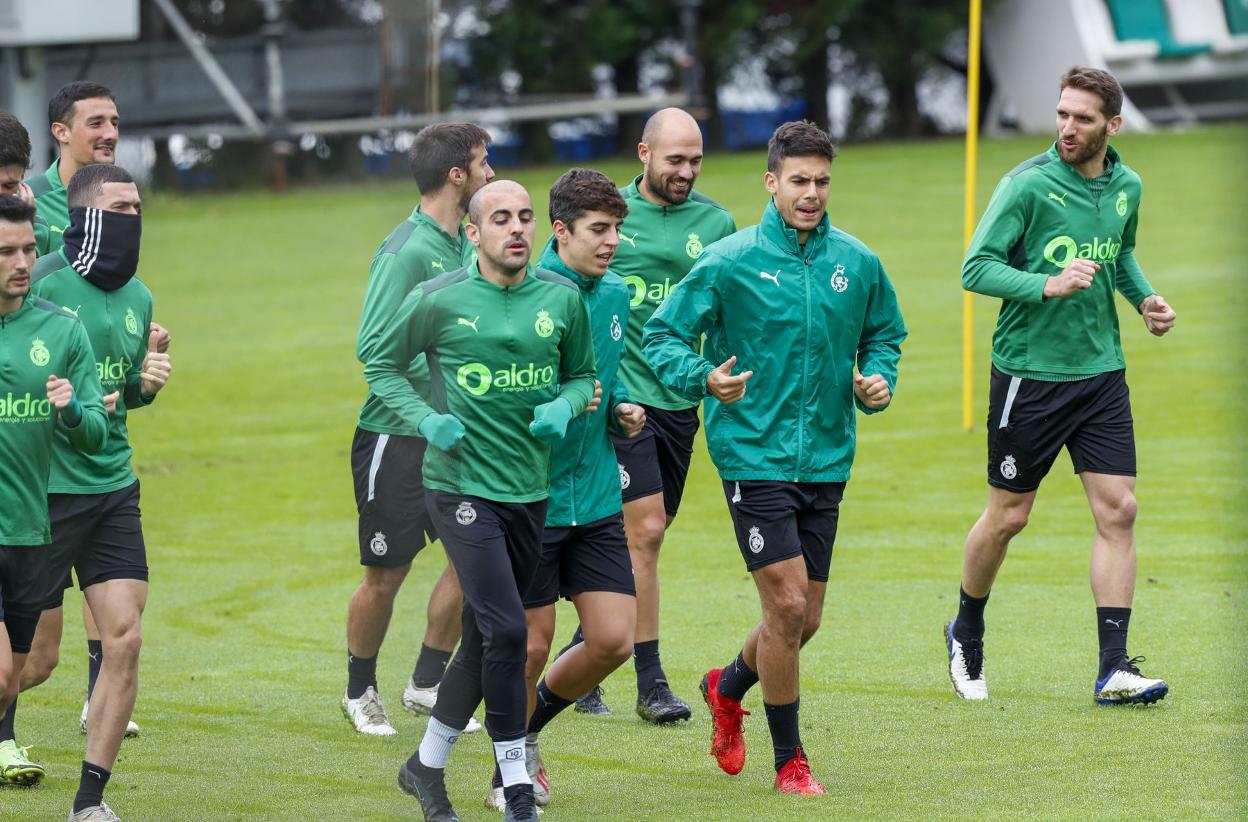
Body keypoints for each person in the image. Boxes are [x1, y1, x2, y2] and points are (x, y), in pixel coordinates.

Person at [644, 121, 906, 794]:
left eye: (821, 181)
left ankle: (726, 687)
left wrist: (878, 380)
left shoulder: (858, 262)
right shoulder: (730, 261)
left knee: (803, 618)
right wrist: (706, 378)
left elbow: (884, 336)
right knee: (787, 607)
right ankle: (790, 761)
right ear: (772, 182)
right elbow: (663, 335)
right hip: (752, 454)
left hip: (826, 458)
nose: (812, 193)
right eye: (799, 181)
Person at [945, 67, 1176, 706]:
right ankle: (965, 628)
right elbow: (975, 267)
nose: (1067, 128)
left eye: (1082, 118)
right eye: (1062, 114)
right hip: (1030, 375)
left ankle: (1113, 668)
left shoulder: (1126, 184)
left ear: (1112, 126)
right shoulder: (1026, 185)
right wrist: (1044, 284)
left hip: (1101, 372)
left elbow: (1118, 251)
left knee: (1119, 509)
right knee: (1009, 516)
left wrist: (1145, 299)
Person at [366, 179, 596, 822]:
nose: (516, 228)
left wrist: (563, 404)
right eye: (501, 218)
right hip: (459, 487)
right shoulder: (437, 299)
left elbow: (583, 376)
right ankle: (516, 783)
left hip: (530, 490)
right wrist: (423, 418)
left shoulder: (561, 298)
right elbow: (380, 363)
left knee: (482, 636)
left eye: (525, 217)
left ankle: (424, 769)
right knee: (509, 631)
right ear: (473, 233)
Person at [561, 107, 736, 723]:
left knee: (639, 541)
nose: (685, 171)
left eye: (694, 160)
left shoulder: (716, 223)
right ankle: (650, 679)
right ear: (644, 154)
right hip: (622, 406)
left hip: (680, 401)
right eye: (674, 160)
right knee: (647, 533)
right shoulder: (613, 222)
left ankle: (585, 651)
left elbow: (726, 310)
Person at [483, 169, 642, 812]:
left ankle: (524, 734)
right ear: (561, 230)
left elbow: (605, 377)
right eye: (599, 230)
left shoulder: (617, 296)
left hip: (597, 493)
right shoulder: (525, 292)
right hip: (533, 495)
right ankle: (510, 771)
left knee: (611, 641)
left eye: (617, 229)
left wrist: (621, 407)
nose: (612, 243)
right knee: (532, 643)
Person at [20, 164, 173, 822]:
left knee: (125, 640)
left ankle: (90, 802)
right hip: (40, 492)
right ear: (85, 215)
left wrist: (144, 384)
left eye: (139, 207)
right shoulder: (38, 281)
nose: (133, 219)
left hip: (111, 484)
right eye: (121, 207)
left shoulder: (138, 297)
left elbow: (120, 400)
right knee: (34, 661)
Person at [345, 122, 494, 737]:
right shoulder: (406, 250)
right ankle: (359, 692)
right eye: (484, 163)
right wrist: (426, 416)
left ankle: (427, 682)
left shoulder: (469, 241)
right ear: (456, 175)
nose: (491, 172)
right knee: (387, 573)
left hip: (461, 442)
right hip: (397, 438)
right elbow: (373, 351)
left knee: (473, 560)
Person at [0, 194, 107, 790]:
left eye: (28, 249)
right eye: (6, 252)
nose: (22, 262)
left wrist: (70, 413)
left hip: (29, 526)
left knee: (32, 666)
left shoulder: (61, 330)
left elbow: (95, 433)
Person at [26, 81, 119, 256]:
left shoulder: (122, 201)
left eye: (114, 123)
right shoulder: (29, 201)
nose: (111, 134)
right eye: (96, 123)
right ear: (61, 132)